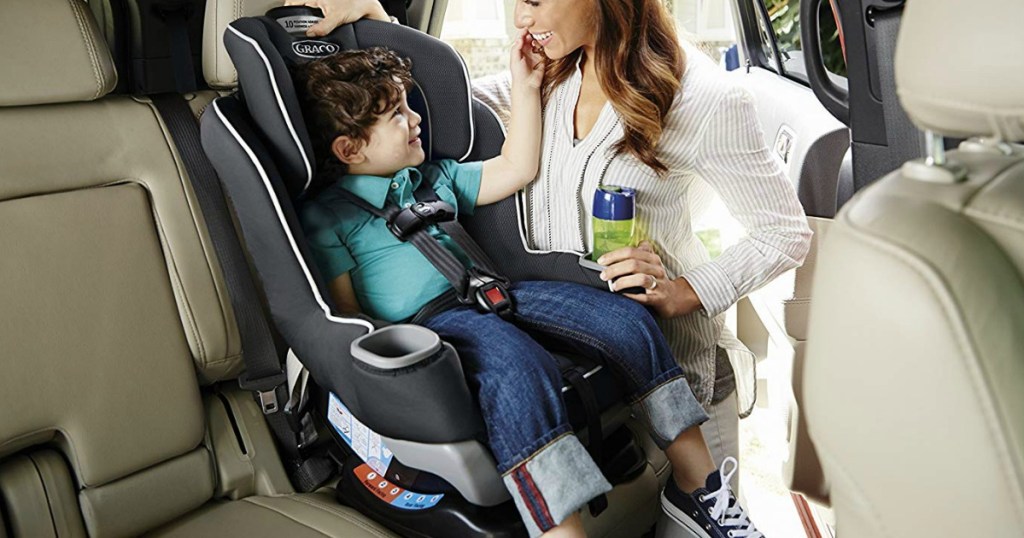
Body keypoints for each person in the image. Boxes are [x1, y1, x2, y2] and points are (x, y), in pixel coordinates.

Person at [290, 0, 813, 508]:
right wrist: (383, 26)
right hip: (571, 365)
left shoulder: (704, 99)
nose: (520, 18)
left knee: (701, 510)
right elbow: (437, 106)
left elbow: (784, 232)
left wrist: (684, 292)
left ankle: (701, 492)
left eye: (534, 0)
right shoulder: (550, 74)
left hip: (669, 364)